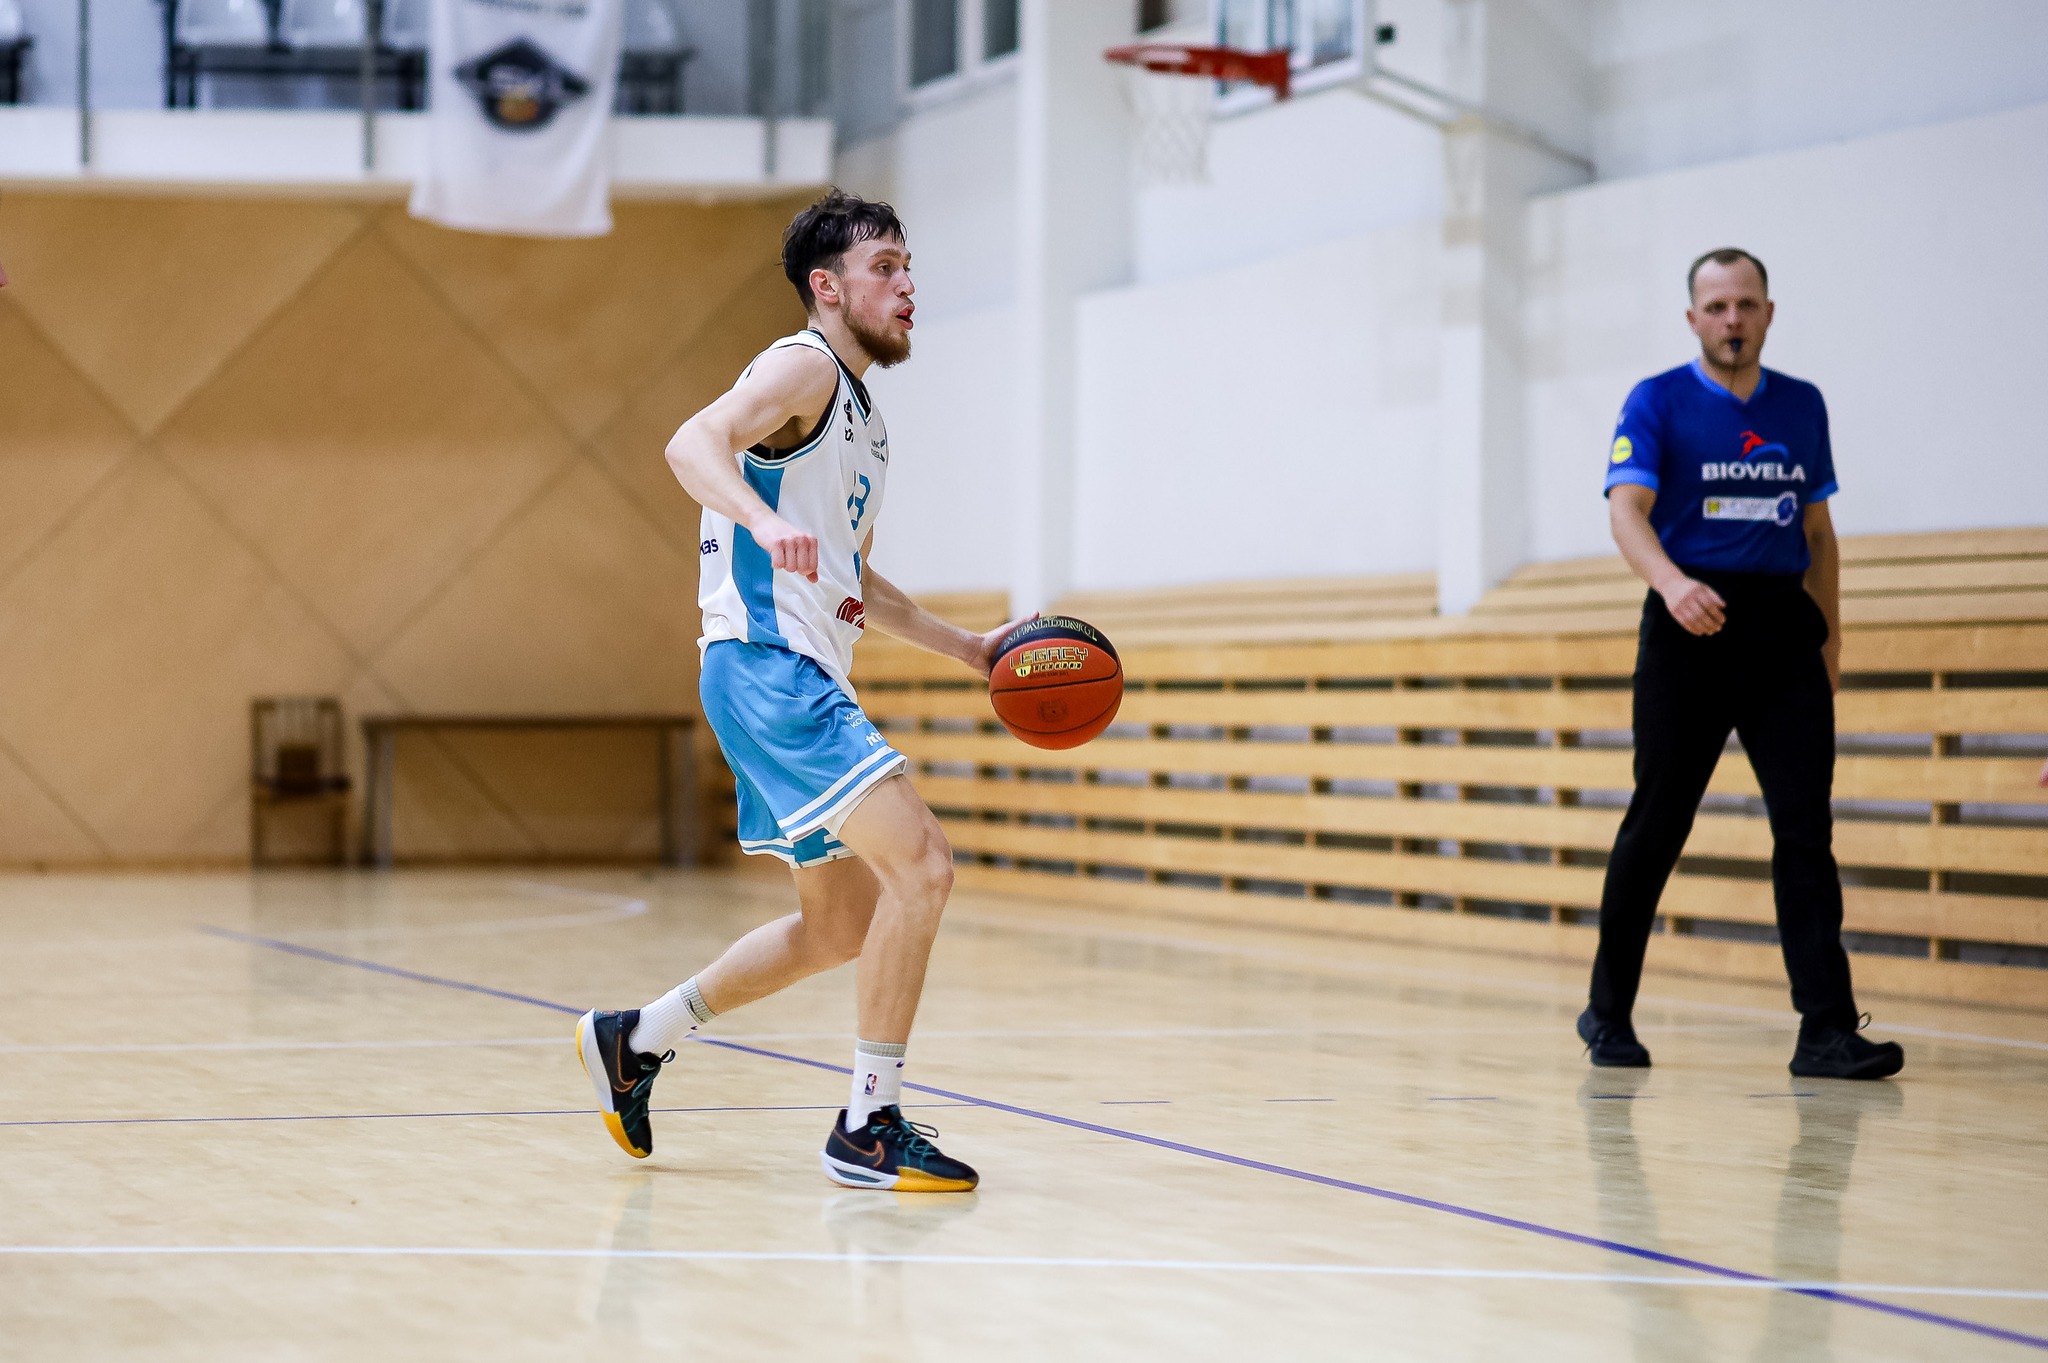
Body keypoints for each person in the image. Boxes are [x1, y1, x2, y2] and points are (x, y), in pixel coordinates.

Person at [576, 189, 1025, 1189]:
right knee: (924, 865)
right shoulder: (804, 364)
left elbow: (851, 577)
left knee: (841, 926)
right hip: (768, 666)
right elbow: (691, 442)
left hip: (788, 669)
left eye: (908, 268)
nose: (906, 286)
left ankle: (635, 1039)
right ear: (826, 286)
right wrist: (757, 516)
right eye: (884, 267)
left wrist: (967, 647)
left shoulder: (864, 420)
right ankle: (867, 1123)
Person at [1577, 247, 1904, 1081]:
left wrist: (1831, 644)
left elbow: (1820, 535)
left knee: (1805, 829)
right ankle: (1608, 1012)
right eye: (1717, 306)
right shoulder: (1657, 400)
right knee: (1658, 822)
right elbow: (1626, 511)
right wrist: (1671, 584)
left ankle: (1826, 1029)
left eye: (1746, 305)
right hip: (1689, 625)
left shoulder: (1802, 405)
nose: (1733, 320)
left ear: (1768, 313)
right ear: (1693, 318)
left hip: (1782, 632)